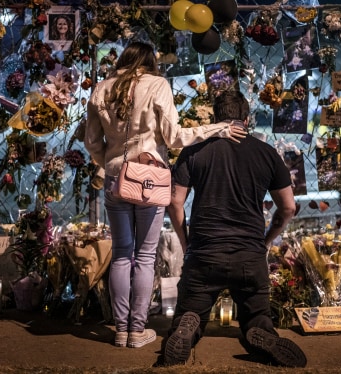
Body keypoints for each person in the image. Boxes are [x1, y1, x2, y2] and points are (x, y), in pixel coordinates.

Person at [84, 42, 246, 349]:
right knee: (144, 257)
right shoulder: (158, 85)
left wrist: (113, 162)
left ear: (123, 59)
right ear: (149, 61)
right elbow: (173, 138)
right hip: (150, 179)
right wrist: (219, 128)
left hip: (115, 178)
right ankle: (136, 331)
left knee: (121, 254)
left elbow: (92, 143)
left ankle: (119, 330)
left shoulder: (101, 89)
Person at [164, 90, 307, 368]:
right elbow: (288, 208)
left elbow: (174, 202)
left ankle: (187, 327)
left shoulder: (193, 151)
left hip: (204, 254)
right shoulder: (267, 153)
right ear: (247, 118)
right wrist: (266, 242)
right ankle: (260, 333)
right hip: (250, 257)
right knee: (258, 316)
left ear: (216, 119)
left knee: (190, 311)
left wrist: (186, 243)